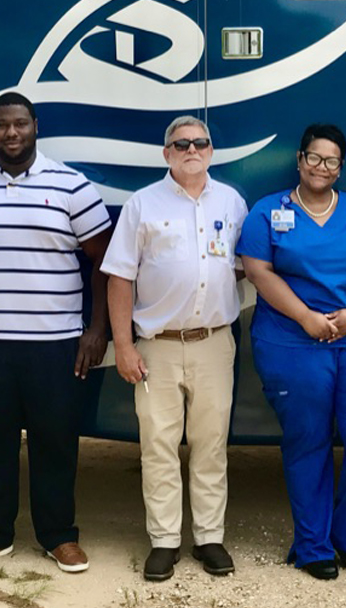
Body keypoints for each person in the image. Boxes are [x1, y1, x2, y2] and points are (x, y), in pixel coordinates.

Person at [0, 92, 112, 574]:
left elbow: (104, 261)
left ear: (35, 126)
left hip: (55, 344)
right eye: (2, 126)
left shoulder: (71, 186)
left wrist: (97, 330)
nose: (11, 133)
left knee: (56, 443)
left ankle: (59, 537)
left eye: (20, 124)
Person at [237, 124, 346, 580]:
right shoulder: (269, 211)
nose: (321, 167)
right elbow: (258, 270)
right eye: (314, 157)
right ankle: (313, 545)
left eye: (331, 161)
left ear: (341, 167)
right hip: (291, 336)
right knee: (308, 438)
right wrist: (306, 316)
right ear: (299, 159)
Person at [103, 116, 248, 582]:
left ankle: (209, 537)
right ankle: (164, 541)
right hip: (156, 347)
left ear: (211, 151)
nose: (191, 149)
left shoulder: (231, 201)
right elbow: (120, 277)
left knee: (211, 445)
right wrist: (123, 345)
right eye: (181, 143)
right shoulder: (142, 205)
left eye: (200, 142)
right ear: (166, 154)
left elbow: (244, 266)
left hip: (213, 343)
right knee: (158, 446)